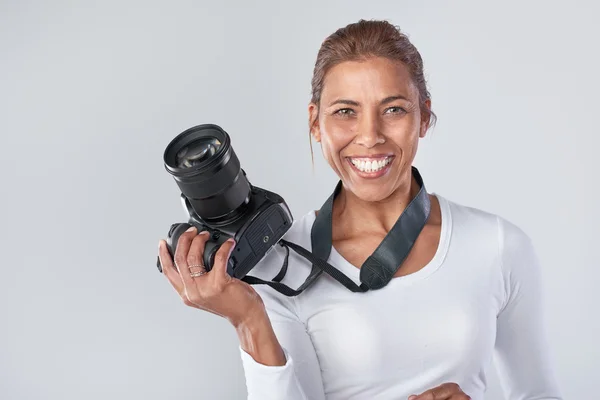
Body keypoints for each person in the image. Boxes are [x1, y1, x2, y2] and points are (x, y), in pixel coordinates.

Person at [157, 19, 563, 400]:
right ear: (316, 123)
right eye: (345, 112)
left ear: (423, 116)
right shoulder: (279, 263)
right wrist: (248, 319)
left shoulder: (499, 245)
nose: (369, 137)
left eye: (394, 109)